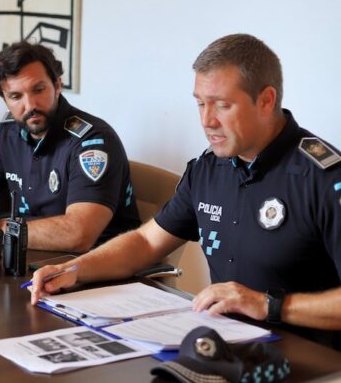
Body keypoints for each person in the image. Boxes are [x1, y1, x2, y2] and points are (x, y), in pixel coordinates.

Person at [30, 34, 341, 349]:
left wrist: (270, 305)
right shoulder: (208, 169)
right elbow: (146, 241)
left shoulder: (323, 178)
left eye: (222, 105)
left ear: (266, 100)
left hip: (313, 363)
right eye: (200, 103)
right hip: (228, 351)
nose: (207, 120)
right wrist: (75, 269)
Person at [0, 42, 140, 252]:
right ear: (4, 99)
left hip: (99, 269)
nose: (30, 105)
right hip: (31, 259)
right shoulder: (8, 133)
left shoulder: (92, 141)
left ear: (57, 85)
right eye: (16, 96)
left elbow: (79, 234)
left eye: (38, 89)